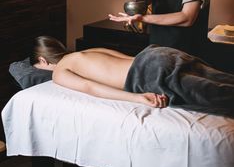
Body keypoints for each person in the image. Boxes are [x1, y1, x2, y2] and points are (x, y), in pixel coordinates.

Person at [52, 43, 234, 118]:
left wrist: (138, 97)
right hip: (156, 53)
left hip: (147, 72)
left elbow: (89, 87)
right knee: (221, 79)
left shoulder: (59, 71)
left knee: (219, 96)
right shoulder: (84, 51)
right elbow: (121, 56)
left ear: (43, 61)